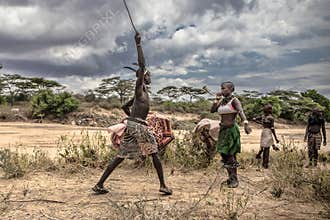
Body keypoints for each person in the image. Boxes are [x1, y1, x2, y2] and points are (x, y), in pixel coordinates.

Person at [92, 32, 172, 195]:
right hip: (139, 127)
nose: (150, 77)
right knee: (154, 152)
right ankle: (163, 185)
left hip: (133, 126)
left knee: (121, 155)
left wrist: (131, 119)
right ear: (142, 76)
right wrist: (138, 44)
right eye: (148, 75)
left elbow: (124, 106)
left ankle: (99, 184)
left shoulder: (140, 94)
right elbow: (142, 65)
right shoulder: (139, 88)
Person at [210, 81, 252, 188]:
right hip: (223, 131)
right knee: (223, 154)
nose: (222, 90)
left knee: (230, 155)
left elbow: (241, 111)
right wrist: (216, 100)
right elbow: (212, 110)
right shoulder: (222, 101)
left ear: (231, 89)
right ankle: (230, 177)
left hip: (231, 130)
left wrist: (246, 123)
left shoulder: (234, 100)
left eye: (224, 88)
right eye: (221, 88)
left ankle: (234, 179)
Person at [253, 104, 280, 169]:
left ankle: (260, 158)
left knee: (263, 147)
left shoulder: (263, 116)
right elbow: (272, 128)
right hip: (268, 132)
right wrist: (276, 138)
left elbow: (254, 119)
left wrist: (261, 123)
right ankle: (265, 164)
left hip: (264, 132)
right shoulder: (271, 118)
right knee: (267, 149)